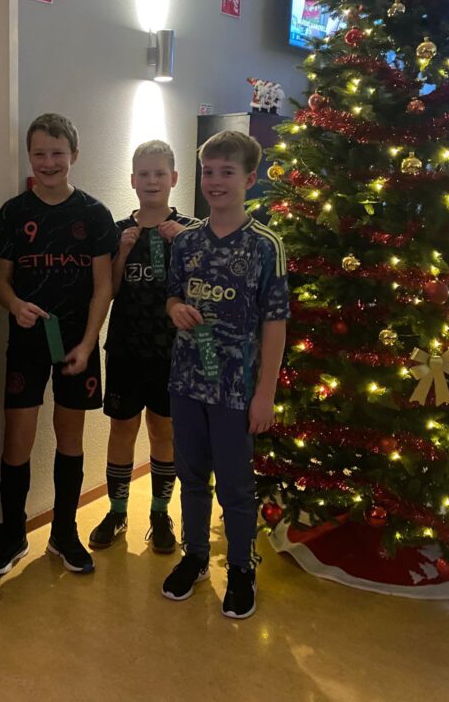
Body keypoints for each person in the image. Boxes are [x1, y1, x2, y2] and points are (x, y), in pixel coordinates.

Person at [0, 112, 118, 576]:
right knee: (16, 439)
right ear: (29, 156)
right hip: (27, 342)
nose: (48, 162)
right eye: (39, 153)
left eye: (57, 153)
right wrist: (15, 304)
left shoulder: (95, 214)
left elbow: (104, 286)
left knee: (70, 439)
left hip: (78, 345)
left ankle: (63, 532)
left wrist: (88, 342)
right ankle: (13, 534)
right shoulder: (12, 213)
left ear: (74, 155)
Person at [161, 130, 289, 619]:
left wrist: (265, 394)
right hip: (186, 382)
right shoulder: (187, 241)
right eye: (208, 172)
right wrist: (175, 308)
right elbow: (173, 294)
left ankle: (240, 567)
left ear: (249, 180)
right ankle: (194, 556)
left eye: (226, 172)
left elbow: (274, 324)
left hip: (236, 390)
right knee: (191, 477)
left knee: (235, 485)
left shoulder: (265, 246)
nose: (215, 181)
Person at [89, 140, 195, 553]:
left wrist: (186, 243)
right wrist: (122, 252)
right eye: (144, 174)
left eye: (159, 174)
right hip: (125, 348)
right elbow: (109, 290)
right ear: (132, 180)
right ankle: (117, 512)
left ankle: (159, 513)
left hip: (172, 351)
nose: (152, 181)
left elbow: (203, 287)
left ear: (173, 178)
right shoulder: (118, 230)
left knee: (163, 429)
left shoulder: (191, 229)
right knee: (122, 428)